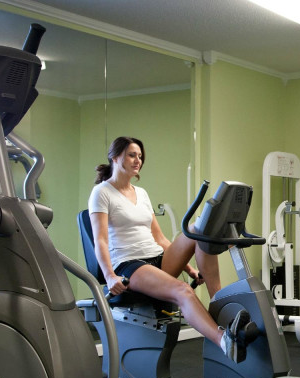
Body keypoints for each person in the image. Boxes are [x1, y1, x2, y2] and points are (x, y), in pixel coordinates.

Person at [88, 136, 250, 363]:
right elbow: (101, 240)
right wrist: (110, 275)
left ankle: (219, 305)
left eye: (140, 156)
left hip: (157, 258)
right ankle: (224, 341)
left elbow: (160, 238)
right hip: (130, 265)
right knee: (183, 290)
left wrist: (191, 269)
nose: (138, 160)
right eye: (132, 155)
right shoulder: (102, 193)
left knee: (198, 229)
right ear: (115, 157)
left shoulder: (141, 193)